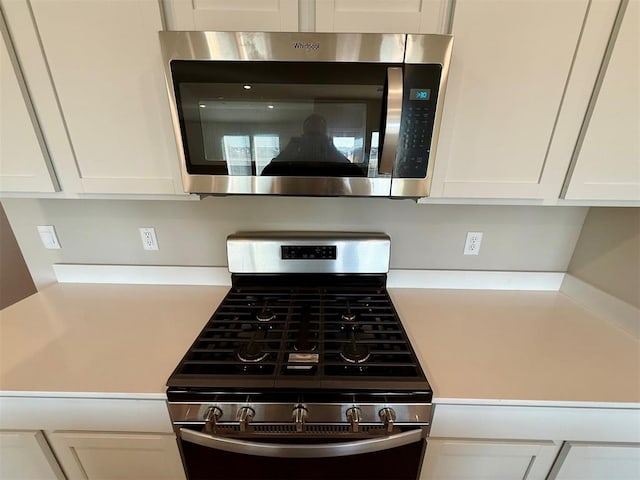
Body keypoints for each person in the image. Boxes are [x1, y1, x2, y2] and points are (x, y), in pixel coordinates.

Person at [271, 113, 351, 164]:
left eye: (318, 134)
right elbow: (267, 173)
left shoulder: (331, 157)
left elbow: (356, 174)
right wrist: (288, 150)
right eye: (311, 134)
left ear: (325, 137)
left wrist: (332, 148)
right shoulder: (294, 157)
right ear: (303, 136)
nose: (314, 139)